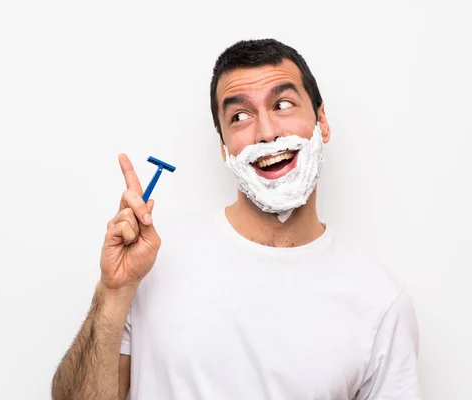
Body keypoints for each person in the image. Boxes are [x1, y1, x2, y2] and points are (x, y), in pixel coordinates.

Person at [51, 38, 421, 400]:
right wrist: (114, 293)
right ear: (224, 147)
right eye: (240, 116)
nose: (266, 133)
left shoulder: (380, 303)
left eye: (283, 104)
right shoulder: (153, 262)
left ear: (321, 122)